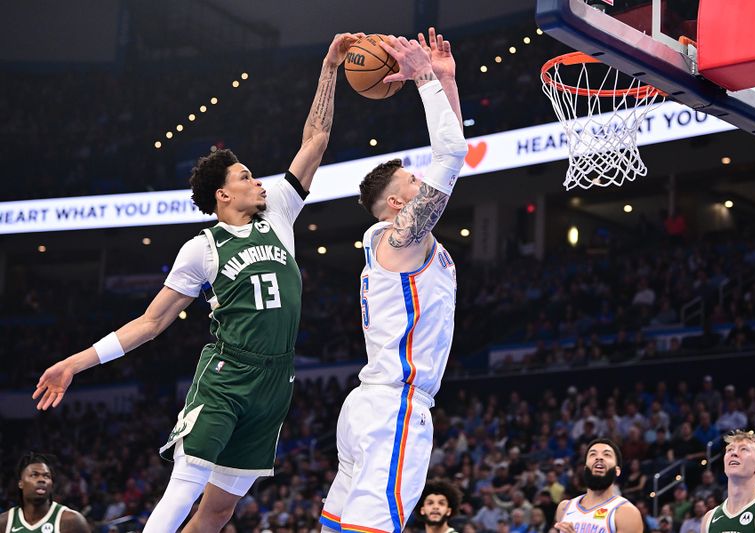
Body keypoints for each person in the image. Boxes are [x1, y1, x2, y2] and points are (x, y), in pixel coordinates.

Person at [31, 32, 365, 533]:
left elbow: (315, 140)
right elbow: (150, 322)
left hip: (277, 380)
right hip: (228, 376)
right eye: (247, 176)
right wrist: (74, 364)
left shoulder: (277, 212)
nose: (258, 182)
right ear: (222, 194)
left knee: (220, 508)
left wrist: (329, 67)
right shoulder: (201, 248)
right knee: (186, 483)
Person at [319, 27, 468, 533]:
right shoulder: (402, 240)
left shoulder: (396, 242)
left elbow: (451, 158)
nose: (424, 181)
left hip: (370, 405)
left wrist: (445, 81)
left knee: (339, 526)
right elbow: (451, 158)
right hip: (394, 408)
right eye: (413, 181)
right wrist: (425, 78)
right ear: (399, 204)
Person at [551, 438, 643, 533]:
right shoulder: (564, 507)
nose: (599, 458)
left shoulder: (626, 512)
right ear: (585, 468)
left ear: (617, 471)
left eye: (607, 454)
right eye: (593, 454)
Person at [0, 452, 91, 533]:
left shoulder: (72, 521)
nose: (42, 480)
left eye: (46, 476)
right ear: (21, 483)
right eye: (34, 475)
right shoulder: (4, 522)